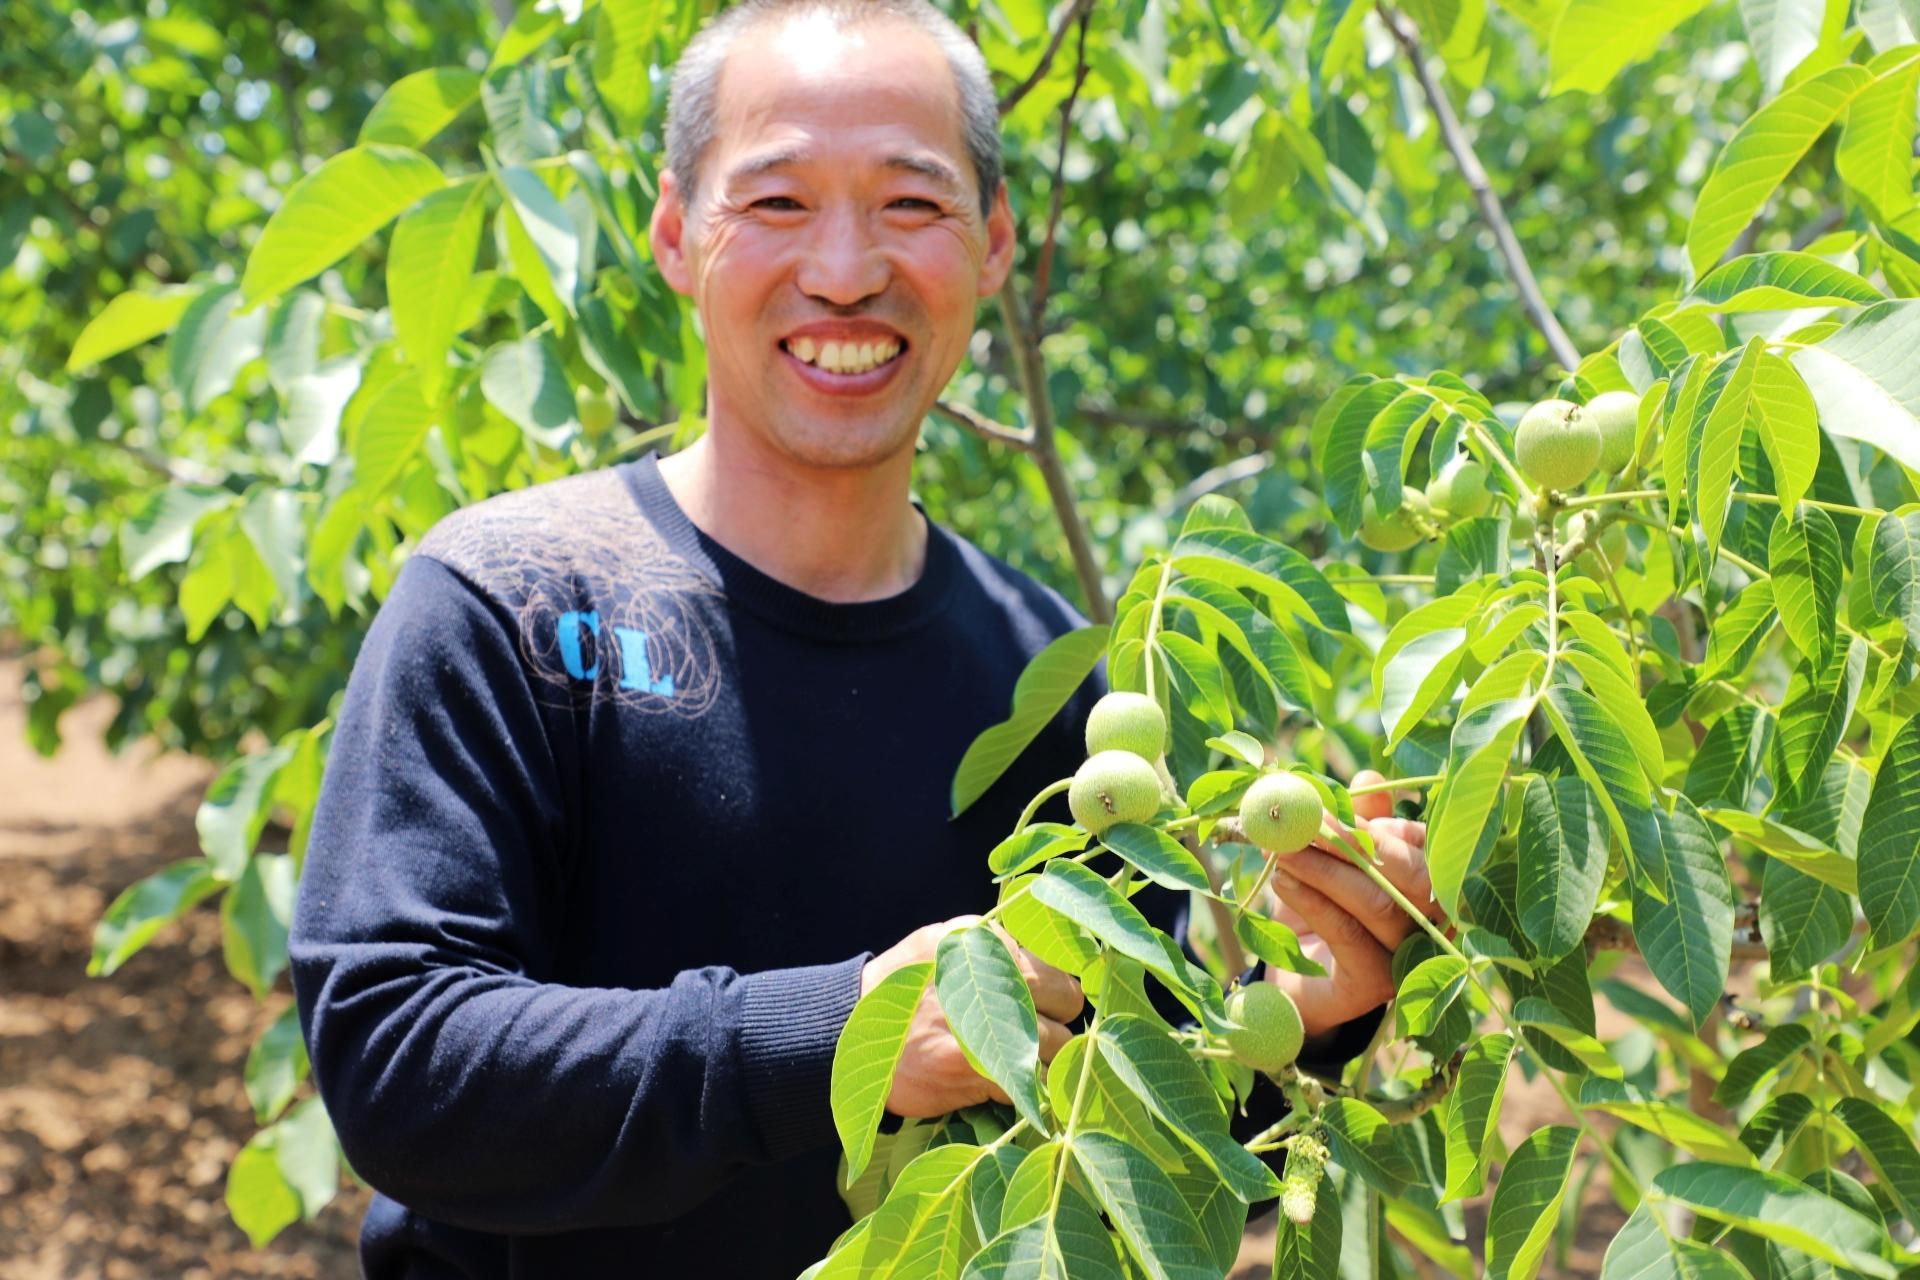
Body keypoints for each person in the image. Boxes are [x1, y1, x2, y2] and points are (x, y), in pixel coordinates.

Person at [288, 1, 1439, 1275]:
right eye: (775, 203)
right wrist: (846, 1029)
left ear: (995, 245)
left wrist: (1309, 1015)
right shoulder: (509, 601)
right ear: (675, 235)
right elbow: (397, 1063)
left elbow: (1131, 1140)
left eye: (912, 205)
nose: (845, 269)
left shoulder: (1044, 676)